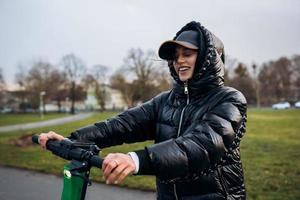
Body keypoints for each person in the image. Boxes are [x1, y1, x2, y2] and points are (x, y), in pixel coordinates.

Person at [39, 21, 247, 200]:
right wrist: (71, 140)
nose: (179, 61)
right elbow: (121, 125)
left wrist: (135, 160)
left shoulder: (229, 99)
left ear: (207, 58)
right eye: (175, 56)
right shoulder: (165, 101)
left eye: (188, 54)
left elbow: (199, 145)